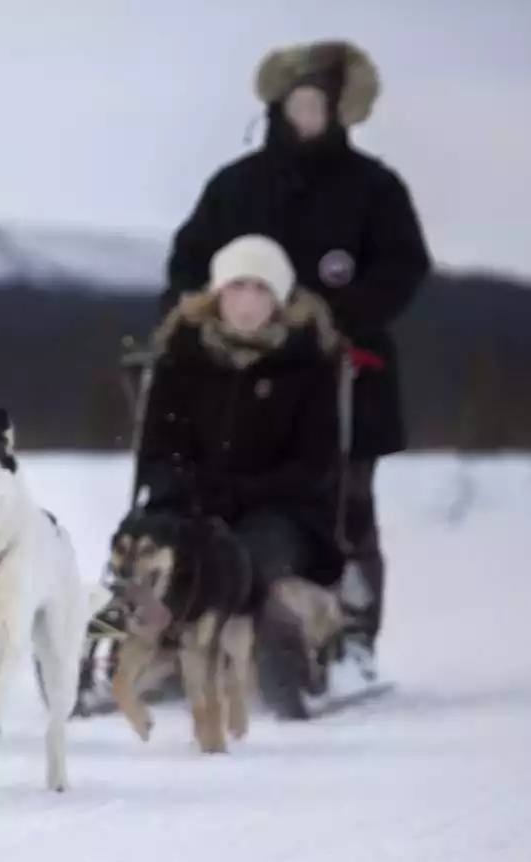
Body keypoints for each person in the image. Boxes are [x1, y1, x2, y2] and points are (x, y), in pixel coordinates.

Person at [160, 40, 431, 687]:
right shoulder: (236, 185)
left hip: (347, 376)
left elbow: (404, 266)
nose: (306, 115)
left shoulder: (374, 187)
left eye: (318, 106)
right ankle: (198, 632)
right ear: (278, 108)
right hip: (236, 381)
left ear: (340, 113)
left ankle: (353, 638)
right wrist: (192, 326)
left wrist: (340, 318)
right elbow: (187, 265)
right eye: (297, 104)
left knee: (348, 511)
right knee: (218, 502)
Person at [140, 235, 348, 679]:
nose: (248, 302)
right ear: (216, 294)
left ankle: (302, 632)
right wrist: (187, 490)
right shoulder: (181, 359)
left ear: (280, 299)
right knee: (155, 554)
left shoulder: (307, 366)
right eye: (237, 287)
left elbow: (314, 468)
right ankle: (135, 645)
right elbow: (157, 452)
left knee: (251, 561)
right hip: (191, 503)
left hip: (283, 512)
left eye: (262, 289)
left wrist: (242, 493)